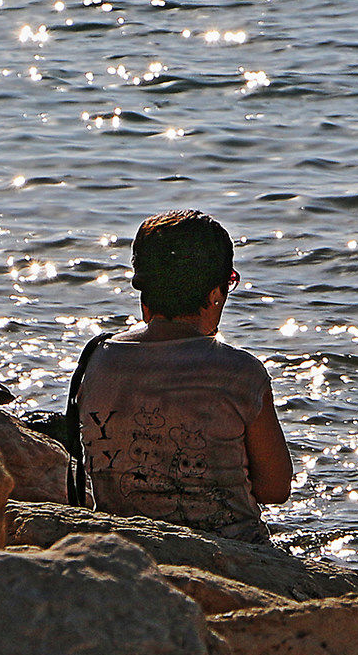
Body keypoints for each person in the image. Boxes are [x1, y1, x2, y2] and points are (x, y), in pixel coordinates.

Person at [73, 211, 293, 543]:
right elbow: (275, 488)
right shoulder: (239, 373)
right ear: (216, 291)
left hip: (126, 546)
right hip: (231, 550)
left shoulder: (97, 359)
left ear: (144, 290)